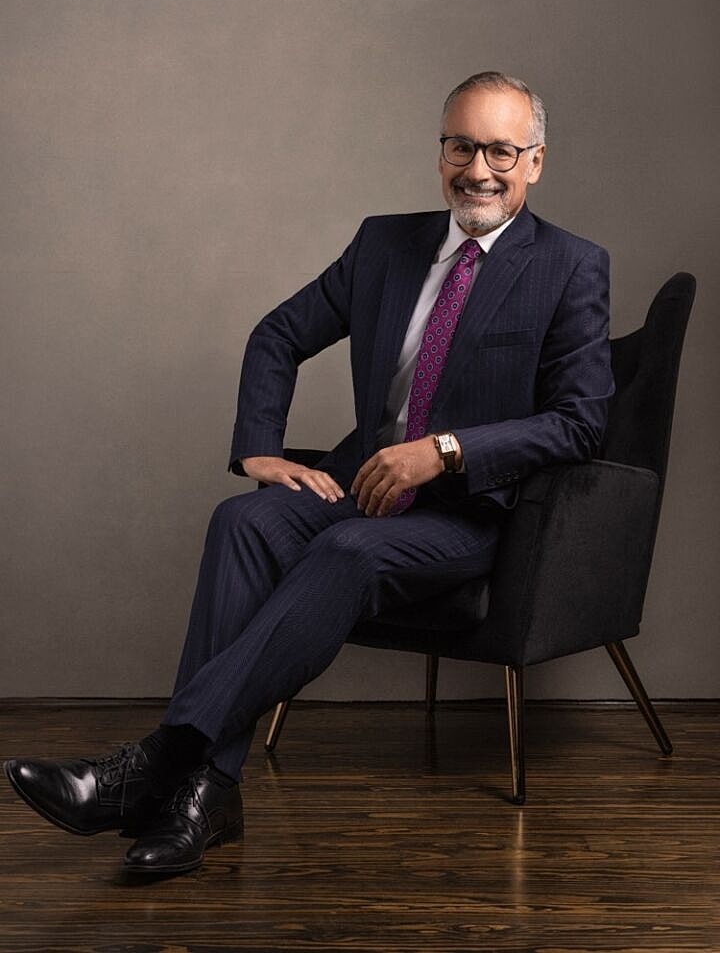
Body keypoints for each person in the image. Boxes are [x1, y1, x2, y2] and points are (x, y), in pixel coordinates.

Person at [4, 72, 614, 875]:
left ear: (535, 161)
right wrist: (260, 444)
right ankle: (205, 799)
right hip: (355, 482)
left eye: (502, 150)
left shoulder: (570, 266)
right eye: (461, 146)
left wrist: (447, 450)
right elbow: (277, 334)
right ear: (440, 153)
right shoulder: (383, 244)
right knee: (243, 520)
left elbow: (580, 420)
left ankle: (155, 768)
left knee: (349, 553)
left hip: (463, 516)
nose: (479, 169)